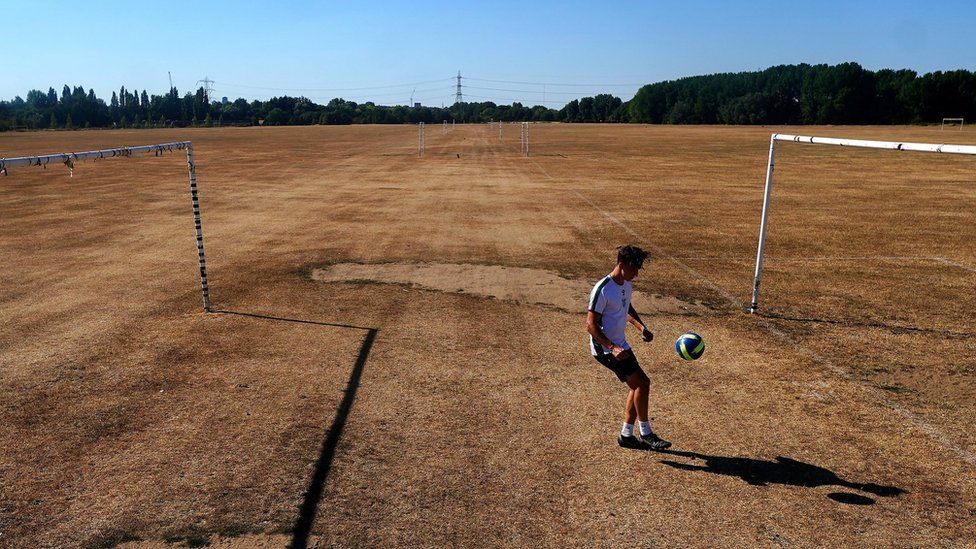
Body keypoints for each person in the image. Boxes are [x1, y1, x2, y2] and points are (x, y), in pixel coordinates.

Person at [586, 245, 671, 451]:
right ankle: (646, 433)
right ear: (621, 264)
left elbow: (626, 308)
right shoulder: (603, 288)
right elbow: (591, 325)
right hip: (606, 349)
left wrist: (641, 327)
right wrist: (612, 347)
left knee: (637, 386)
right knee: (642, 383)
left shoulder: (625, 283)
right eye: (634, 268)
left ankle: (626, 435)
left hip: (620, 345)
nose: (637, 273)